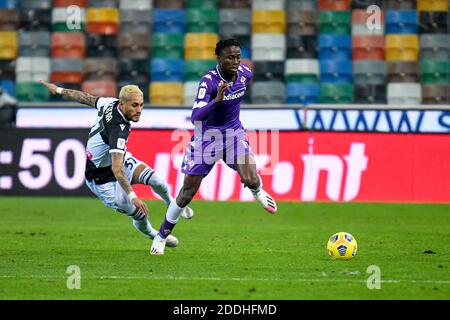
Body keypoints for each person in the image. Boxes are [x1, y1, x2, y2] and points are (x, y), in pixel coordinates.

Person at [150, 39, 277, 256]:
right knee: (186, 194)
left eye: (238, 57)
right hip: (206, 139)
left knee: (252, 178)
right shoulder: (208, 82)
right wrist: (217, 100)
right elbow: (195, 117)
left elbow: (239, 94)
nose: (235, 61)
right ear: (218, 58)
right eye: (230, 57)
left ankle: (258, 191)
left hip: (234, 134)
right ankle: (161, 236)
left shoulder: (245, 74)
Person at [40, 81, 193, 249]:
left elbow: (85, 98)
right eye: (134, 105)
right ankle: (154, 235)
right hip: (102, 179)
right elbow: (117, 169)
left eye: (141, 105)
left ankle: (170, 203)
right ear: (122, 104)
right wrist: (134, 197)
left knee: (157, 180)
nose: (139, 110)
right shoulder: (118, 130)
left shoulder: (109, 103)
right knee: (140, 215)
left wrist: (59, 89)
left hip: (116, 162)